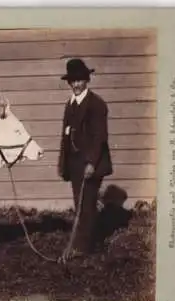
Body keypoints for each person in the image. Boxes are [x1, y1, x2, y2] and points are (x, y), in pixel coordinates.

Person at [57, 58, 113, 261]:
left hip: (92, 163)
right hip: (74, 163)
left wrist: (91, 162)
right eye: (72, 81)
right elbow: (65, 137)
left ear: (86, 80)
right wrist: (63, 164)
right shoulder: (70, 104)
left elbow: (100, 137)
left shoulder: (96, 105)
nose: (75, 85)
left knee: (87, 203)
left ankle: (85, 247)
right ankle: (80, 242)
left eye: (79, 81)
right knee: (78, 202)